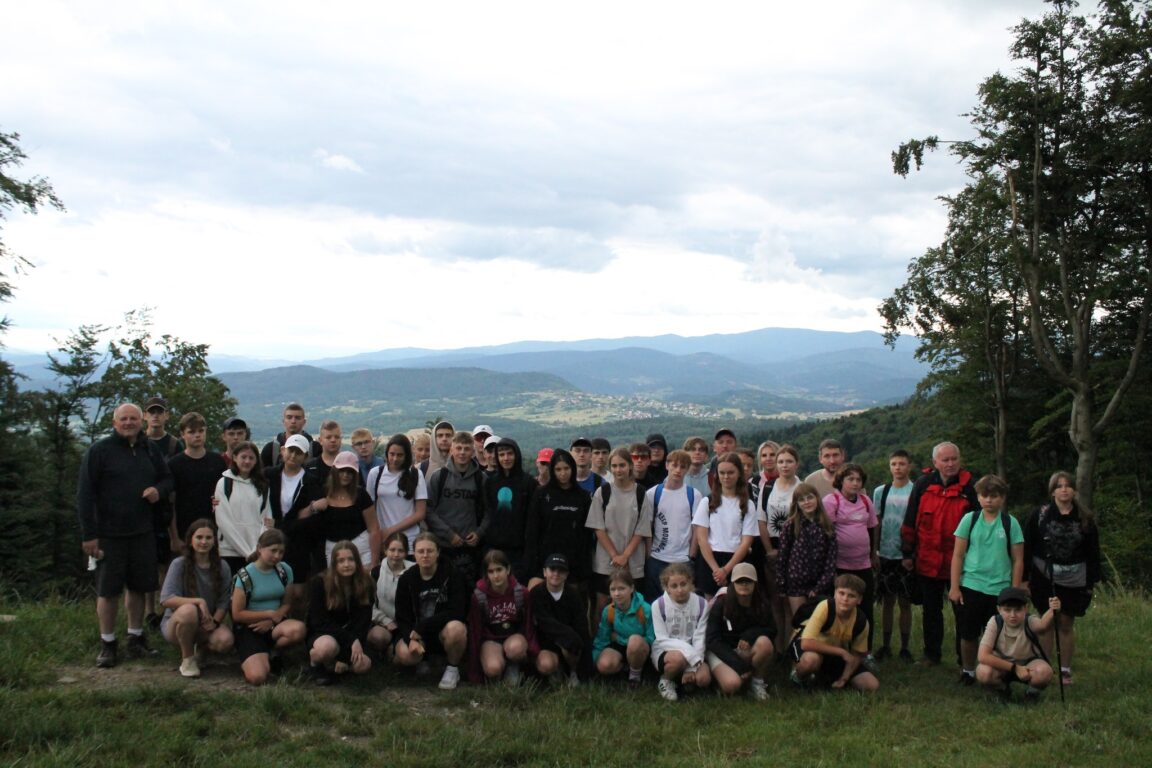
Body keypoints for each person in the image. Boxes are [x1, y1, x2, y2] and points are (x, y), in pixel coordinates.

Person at [77, 402, 174, 667]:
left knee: (140, 587)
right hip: (108, 534)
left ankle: (136, 637)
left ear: (141, 421)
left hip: (142, 531)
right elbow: (84, 495)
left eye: (133, 418)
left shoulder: (149, 449)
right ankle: (107, 643)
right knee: (108, 591)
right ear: (114, 422)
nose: (129, 423)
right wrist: (89, 535)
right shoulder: (99, 452)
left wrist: (158, 491)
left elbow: (167, 479)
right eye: (124, 419)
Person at [900, 441, 979, 666]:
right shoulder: (923, 484)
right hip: (927, 559)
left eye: (954, 459)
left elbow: (980, 525)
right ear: (935, 462)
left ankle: (963, 658)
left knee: (962, 613)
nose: (950, 463)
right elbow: (910, 519)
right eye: (945, 460)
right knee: (930, 611)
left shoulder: (970, 487)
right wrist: (907, 553)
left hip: (961, 564)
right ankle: (931, 654)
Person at [1022, 471, 1101, 685]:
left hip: (1075, 577)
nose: (1064, 489)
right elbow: (1027, 547)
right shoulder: (1039, 514)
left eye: (1067, 485)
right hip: (1044, 576)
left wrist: (1091, 582)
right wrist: (1023, 578)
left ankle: (1065, 669)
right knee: (1046, 622)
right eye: (1059, 485)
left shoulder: (1085, 518)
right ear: (1052, 490)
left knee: (1066, 623)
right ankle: (1044, 667)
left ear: (1074, 490)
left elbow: (1093, 552)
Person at [950, 474, 1024, 685]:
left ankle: (997, 673)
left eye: (994, 496)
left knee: (999, 637)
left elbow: (1018, 559)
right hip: (971, 584)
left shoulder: (1011, 523)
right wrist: (955, 587)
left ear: (1002, 498)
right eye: (985, 495)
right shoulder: (970, 519)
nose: (989, 500)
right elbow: (957, 555)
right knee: (968, 633)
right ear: (978, 497)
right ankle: (968, 671)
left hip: (1000, 588)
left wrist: (1015, 590)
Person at [393, 533, 469, 690]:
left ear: (438, 552)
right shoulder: (406, 579)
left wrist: (422, 628)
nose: (425, 555)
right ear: (414, 554)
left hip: (442, 631)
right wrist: (410, 639)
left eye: (430, 551)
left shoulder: (452, 573)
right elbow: (402, 617)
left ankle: (452, 668)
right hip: (417, 634)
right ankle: (423, 661)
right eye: (420, 551)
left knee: (457, 628)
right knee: (405, 655)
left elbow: (457, 611)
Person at [230, 528, 307, 685]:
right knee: (257, 677)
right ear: (259, 548)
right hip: (249, 627)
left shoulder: (284, 570)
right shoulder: (244, 576)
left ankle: (274, 652)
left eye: (281, 552)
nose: (277, 556)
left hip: (275, 623)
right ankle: (256, 657)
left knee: (298, 629)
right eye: (273, 551)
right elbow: (237, 614)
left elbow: (287, 603)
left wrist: (273, 619)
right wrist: (268, 614)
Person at [158, 519, 234, 678]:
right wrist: (198, 601)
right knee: (189, 611)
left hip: (206, 623)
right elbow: (166, 599)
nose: (204, 542)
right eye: (199, 537)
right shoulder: (179, 564)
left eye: (208, 538)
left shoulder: (223, 567)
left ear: (214, 540)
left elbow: (224, 601)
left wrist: (215, 622)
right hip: (177, 623)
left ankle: (202, 651)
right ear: (191, 540)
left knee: (225, 640)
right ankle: (187, 659)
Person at [586, 448, 653, 627]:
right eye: (614, 466)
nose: (618, 470)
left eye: (622, 465)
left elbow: (642, 529)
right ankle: (599, 644)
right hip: (605, 560)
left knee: (633, 604)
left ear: (630, 466)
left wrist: (625, 556)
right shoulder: (603, 492)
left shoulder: (640, 493)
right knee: (602, 605)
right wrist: (615, 555)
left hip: (633, 560)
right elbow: (598, 527)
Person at [789, 573, 879, 692]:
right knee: (811, 660)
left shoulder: (861, 621)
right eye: (841, 593)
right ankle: (798, 677)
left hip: (833, 652)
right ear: (835, 593)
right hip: (807, 646)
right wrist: (841, 652)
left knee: (872, 685)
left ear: (859, 600)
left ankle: (825, 677)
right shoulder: (825, 607)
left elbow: (857, 655)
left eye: (851, 596)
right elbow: (806, 644)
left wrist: (844, 678)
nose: (845, 599)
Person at [265, 433, 324, 613]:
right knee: (272, 586)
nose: (293, 456)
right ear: (283, 451)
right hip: (269, 541)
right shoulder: (268, 475)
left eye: (298, 453)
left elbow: (313, 521)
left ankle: (296, 626)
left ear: (305, 457)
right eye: (291, 451)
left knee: (298, 592)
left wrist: (282, 526)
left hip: (299, 543)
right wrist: (298, 517)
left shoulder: (311, 481)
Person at [824, 463, 879, 652]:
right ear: (841, 481)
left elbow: (872, 527)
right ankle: (838, 649)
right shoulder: (832, 501)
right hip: (840, 565)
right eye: (850, 479)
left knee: (865, 609)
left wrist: (873, 553)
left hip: (863, 563)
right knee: (840, 608)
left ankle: (865, 650)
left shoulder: (865, 501)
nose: (855, 483)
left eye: (858, 480)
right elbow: (826, 533)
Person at [305, 540, 376, 685]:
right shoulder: (319, 583)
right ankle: (315, 664)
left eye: (351, 559)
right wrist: (351, 641)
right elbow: (319, 622)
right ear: (334, 564)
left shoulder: (366, 582)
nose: (346, 564)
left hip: (353, 634)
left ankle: (337, 663)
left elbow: (363, 621)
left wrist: (346, 654)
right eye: (341, 560)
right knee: (326, 648)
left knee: (363, 666)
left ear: (357, 561)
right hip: (324, 633)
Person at [524, 448, 592, 591]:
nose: (563, 473)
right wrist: (532, 563)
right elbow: (532, 530)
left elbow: (586, 534)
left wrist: (584, 566)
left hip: (573, 561)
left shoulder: (583, 497)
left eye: (566, 468)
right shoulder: (541, 494)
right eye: (558, 469)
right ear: (552, 471)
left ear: (572, 468)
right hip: (545, 558)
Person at [976, 586, 1060, 702]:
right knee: (983, 672)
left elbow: (1043, 625)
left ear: (1026, 609)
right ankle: (1002, 689)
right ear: (999, 609)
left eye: (1018, 610)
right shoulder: (995, 622)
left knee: (1044, 672)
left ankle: (1032, 693)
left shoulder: (1029, 621)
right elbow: (983, 656)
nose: (1013, 615)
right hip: (1002, 664)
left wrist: (1052, 610)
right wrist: (1015, 668)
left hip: (1028, 663)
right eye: (1007, 610)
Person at [467, 549, 538, 685]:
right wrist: (474, 671)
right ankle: (498, 668)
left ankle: (514, 666)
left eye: (499, 570)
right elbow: (475, 630)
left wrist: (532, 653)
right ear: (486, 574)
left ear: (508, 569)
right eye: (491, 571)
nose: (496, 575)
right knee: (493, 669)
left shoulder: (521, 592)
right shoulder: (479, 596)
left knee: (515, 649)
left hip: (514, 636)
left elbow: (529, 624)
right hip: (491, 638)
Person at [691, 453, 757, 597]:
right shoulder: (707, 502)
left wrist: (726, 570)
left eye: (730, 472)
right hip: (710, 561)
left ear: (739, 473)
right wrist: (717, 570)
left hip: (737, 560)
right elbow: (702, 539)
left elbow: (746, 542)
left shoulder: (748, 505)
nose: (726, 477)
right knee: (711, 607)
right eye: (722, 473)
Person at [704, 562, 774, 699]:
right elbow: (712, 640)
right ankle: (718, 682)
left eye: (748, 581)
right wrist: (738, 664)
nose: (744, 584)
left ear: (755, 583)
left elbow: (772, 629)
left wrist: (750, 635)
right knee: (732, 685)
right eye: (739, 581)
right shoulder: (721, 604)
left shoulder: (762, 603)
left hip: (742, 650)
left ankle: (757, 682)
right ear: (732, 583)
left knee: (765, 643)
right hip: (721, 652)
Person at [426, 430, 486, 585]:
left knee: (469, 589)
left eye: (466, 449)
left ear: (473, 451)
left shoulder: (481, 479)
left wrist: (479, 533)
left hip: (470, 546)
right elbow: (428, 510)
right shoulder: (439, 476)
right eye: (458, 448)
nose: (462, 452)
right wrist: (448, 534)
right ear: (451, 449)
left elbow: (489, 511)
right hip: (443, 545)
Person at [872, 449, 915, 661]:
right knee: (887, 601)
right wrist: (875, 550)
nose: (898, 468)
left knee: (905, 602)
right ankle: (886, 645)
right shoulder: (881, 491)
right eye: (894, 464)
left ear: (910, 466)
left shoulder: (916, 491)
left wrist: (913, 554)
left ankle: (905, 647)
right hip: (886, 553)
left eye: (902, 464)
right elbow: (876, 522)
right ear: (889, 466)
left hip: (906, 554)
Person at [166, 412, 228, 555]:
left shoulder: (217, 462)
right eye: (191, 432)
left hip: (214, 531)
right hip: (184, 531)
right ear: (182, 434)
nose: (197, 435)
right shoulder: (174, 465)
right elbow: (171, 504)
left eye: (201, 431)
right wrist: (174, 538)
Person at [643, 450, 698, 603]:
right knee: (654, 603)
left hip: (683, 558)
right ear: (667, 465)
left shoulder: (693, 495)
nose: (678, 470)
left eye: (683, 467)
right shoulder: (653, 493)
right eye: (674, 465)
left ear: (687, 469)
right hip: (657, 558)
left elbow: (697, 529)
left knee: (682, 602)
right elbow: (647, 526)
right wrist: (649, 554)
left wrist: (691, 555)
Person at [651, 562, 711, 701]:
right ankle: (666, 680)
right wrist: (691, 656)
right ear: (666, 588)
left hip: (695, 652)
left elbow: (700, 636)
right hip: (667, 650)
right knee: (678, 659)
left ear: (690, 583)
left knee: (704, 679)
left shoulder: (702, 604)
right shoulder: (658, 605)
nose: (680, 590)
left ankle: (685, 681)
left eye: (683, 584)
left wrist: (693, 666)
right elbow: (662, 639)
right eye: (674, 586)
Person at [530, 553, 593, 686]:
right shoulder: (535, 594)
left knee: (573, 643)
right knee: (545, 665)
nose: (556, 574)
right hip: (546, 643)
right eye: (552, 569)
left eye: (561, 570)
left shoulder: (574, 595)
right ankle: (556, 670)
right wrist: (567, 634)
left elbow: (582, 626)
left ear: (566, 574)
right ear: (544, 572)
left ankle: (573, 671)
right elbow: (543, 622)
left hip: (570, 645)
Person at [760, 443, 800, 652]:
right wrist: (769, 550)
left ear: (797, 464)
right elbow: (761, 520)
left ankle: (792, 647)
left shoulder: (801, 489)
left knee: (791, 603)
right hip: (773, 550)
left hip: (795, 551)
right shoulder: (767, 488)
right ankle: (778, 648)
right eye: (781, 461)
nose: (785, 465)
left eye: (789, 461)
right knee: (775, 601)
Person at [214, 440, 273, 577]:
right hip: (229, 551)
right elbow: (223, 521)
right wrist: (247, 552)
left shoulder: (262, 485)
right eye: (243, 457)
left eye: (251, 458)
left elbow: (266, 519)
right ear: (235, 458)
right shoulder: (224, 483)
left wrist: (257, 549)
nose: (247, 461)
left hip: (256, 551)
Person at [776, 483, 838, 614]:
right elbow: (783, 557)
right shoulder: (790, 525)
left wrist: (819, 587)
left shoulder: (827, 526)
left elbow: (831, 561)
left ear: (817, 498)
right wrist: (781, 584)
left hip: (821, 585)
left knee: (820, 625)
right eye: (801, 500)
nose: (806, 502)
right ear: (796, 503)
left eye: (809, 498)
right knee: (800, 623)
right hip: (796, 584)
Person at [483, 437, 536, 582]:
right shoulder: (490, 482)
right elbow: (487, 513)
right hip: (495, 548)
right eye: (501, 454)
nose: (506, 458)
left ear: (516, 455)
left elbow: (533, 519)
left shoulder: (529, 483)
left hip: (520, 550)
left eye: (509, 453)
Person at [366, 434, 427, 556]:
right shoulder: (375, 474)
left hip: (409, 540)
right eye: (392, 454)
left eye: (400, 455)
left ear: (407, 456)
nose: (395, 459)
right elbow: (369, 509)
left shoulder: (415, 474)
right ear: (387, 453)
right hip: (383, 540)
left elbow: (420, 513)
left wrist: (391, 531)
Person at [592, 568, 654, 688]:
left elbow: (652, 638)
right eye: (613, 589)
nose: (617, 593)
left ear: (631, 588)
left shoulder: (645, 609)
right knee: (604, 664)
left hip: (640, 647)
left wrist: (619, 639)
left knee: (634, 641)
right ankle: (625, 670)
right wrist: (594, 662)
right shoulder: (608, 611)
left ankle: (635, 676)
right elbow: (602, 639)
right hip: (619, 648)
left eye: (621, 588)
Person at [318, 451, 378, 568]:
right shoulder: (323, 493)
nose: (345, 475)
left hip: (361, 548)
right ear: (334, 471)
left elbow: (374, 529)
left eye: (350, 472)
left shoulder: (361, 494)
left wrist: (374, 563)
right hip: (333, 549)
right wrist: (313, 507)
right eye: (342, 470)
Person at [367, 532, 414, 659]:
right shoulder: (375, 573)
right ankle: (384, 648)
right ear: (385, 550)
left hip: (409, 625)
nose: (396, 554)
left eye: (401, 550)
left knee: (404, 659)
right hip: (385, 623)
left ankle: (395, 650)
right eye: (392, 550)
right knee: (376, 637)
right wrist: (385, 620)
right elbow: (368, 604)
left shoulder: (414, 572)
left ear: (406, 552)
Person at [260, 403, 320, 467]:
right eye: (289, 417)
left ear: (304, 422)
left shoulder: (315, 448)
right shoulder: (271, 449)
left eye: (297, 418)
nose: (293, 421)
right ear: (284, 421)